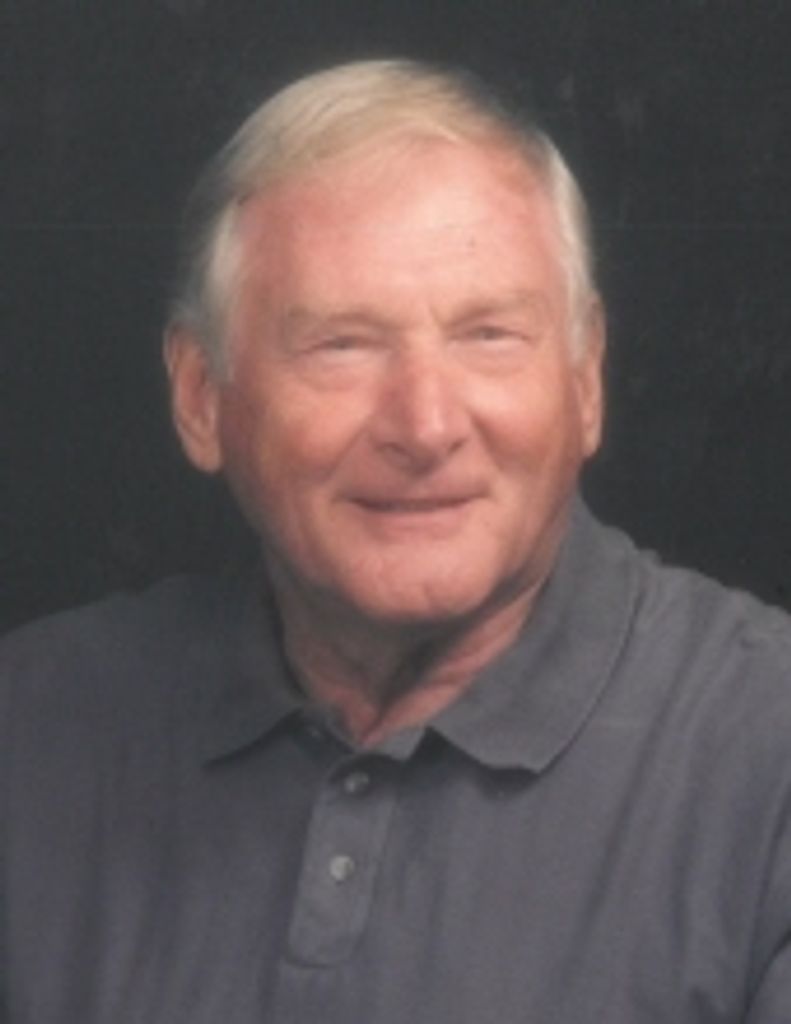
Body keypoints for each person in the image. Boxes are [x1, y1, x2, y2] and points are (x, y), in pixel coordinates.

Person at [2, 59, 790, 1024]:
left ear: (585, 377)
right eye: (341, 344)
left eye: (489, 335)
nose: (425, 425)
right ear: (202, 397)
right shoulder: (28, 730)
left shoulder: (766, 756)